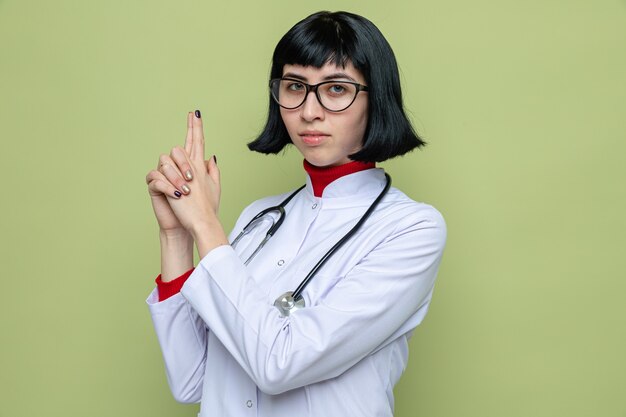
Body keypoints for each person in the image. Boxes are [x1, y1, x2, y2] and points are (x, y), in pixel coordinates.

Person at [144, 10, 446, 417]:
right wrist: (177, 236)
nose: (309, 111)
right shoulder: (259, 217)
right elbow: (192, 379)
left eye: (336, 89)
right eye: (295, 87)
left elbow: (281, 364)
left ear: (377, 98)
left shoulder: (411, 230)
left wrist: (205, 226)